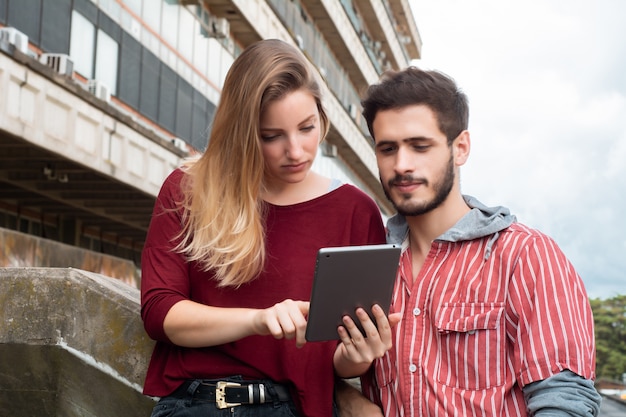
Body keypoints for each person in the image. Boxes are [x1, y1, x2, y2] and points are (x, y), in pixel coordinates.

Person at [140, 38, 396, 417]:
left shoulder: (355, 210)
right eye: (271, 136)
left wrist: (358, 357)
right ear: (241, 134)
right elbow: (161, 313)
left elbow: (348, 354)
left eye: (307, 128)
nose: (296, 151)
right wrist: (258, 319)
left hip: (296, 407)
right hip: (199, 403)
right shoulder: (187, 190)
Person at [337, 67, 602, 416]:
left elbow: (565, 400)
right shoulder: (363, 264)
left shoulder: (526, 255)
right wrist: (349, 399)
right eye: (388, 149)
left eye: (420, 146)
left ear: (460, 148)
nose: (401, 165)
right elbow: (320, 370)